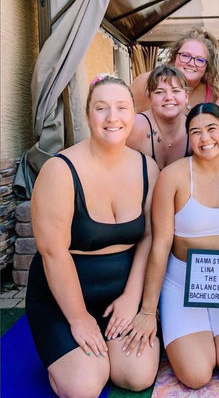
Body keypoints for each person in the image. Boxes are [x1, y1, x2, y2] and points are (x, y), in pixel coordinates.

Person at [26, 75, 160, 397]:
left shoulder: (148, 168)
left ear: (134, 114)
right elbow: (53, 252)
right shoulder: (59, 170)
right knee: (85, 384)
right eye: (102, 108)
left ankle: (104, 346)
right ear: (88, 115)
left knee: (137, 375)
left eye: (121, 108)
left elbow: (149, 239)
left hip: (120, 296)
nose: (113, 118)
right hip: (63, 299)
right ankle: (75, 355)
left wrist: (132, 299)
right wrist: (78, 318)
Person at [122, 103, 219, 389]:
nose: (204, 138)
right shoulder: (172, 176)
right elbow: (160, 245)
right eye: (195, 132)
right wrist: (148, 311)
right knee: (196, 376)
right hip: (180, 283)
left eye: (211, 129)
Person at [127, 65, 190, 170]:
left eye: (175, 91)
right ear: (149, 97)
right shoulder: (135, 127)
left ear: (186, 96)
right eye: (159, 92)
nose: (168, 98)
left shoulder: (194, 129)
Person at [167, 28, 219, 108]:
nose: (191, 63)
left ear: (207, 67)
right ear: (175, 57)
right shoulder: (148, 84)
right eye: (185, 56)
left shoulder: (215, 95)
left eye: (200, 60)